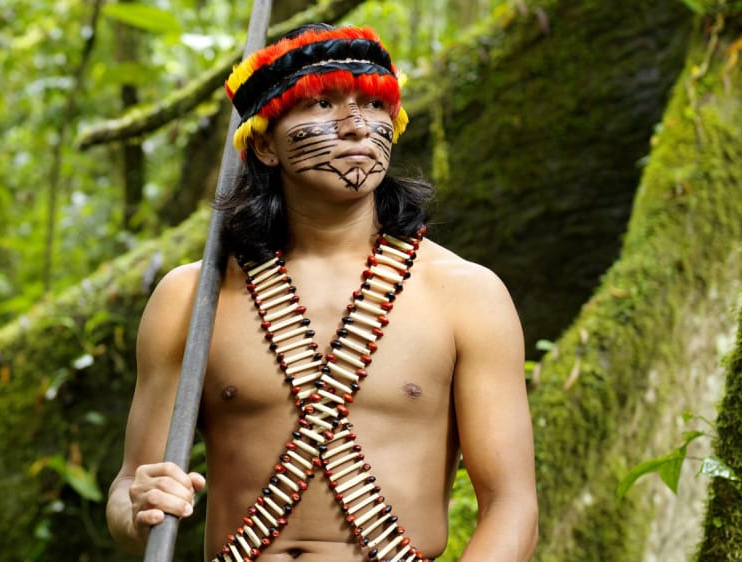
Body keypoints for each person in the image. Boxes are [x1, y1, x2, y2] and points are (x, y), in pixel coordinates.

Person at [107, 23, 538, 562]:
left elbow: (512, 506)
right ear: (264, 144)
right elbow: (127, 494)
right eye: (323, 104)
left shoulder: (466, 295)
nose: (355, 125)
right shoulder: (193, 298)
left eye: (372, 104)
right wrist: (140, 503)